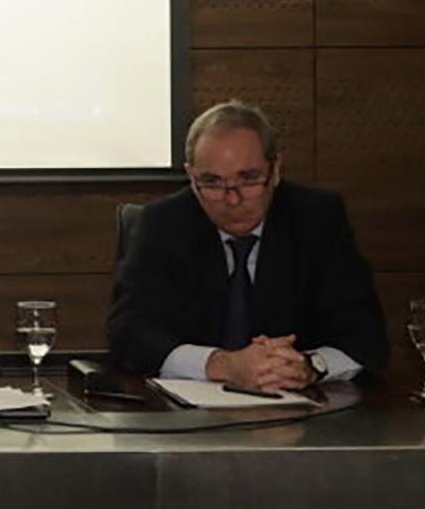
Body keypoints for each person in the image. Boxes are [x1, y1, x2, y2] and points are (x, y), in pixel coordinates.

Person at [107, 100, 388, 390]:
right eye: (213, 182)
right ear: (191, 177)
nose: (233, 199)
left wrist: (309, 366)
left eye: (249, 179)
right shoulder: (163, 223)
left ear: (275, 170)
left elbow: (366, 335)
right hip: (187, 411)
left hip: (300, 406)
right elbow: (128, 332)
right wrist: (220, 364)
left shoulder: (317, 218)